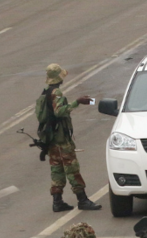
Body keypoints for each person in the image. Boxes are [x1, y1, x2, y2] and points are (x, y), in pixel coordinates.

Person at [36, 64, 102, 212]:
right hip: (61, 140)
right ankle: (82, 200)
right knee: (72, 169)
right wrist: (77, 102)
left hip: (51, 140)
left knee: (57, 170)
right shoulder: (57, 92)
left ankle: (57, 202)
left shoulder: (45, 92)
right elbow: (59, 112)